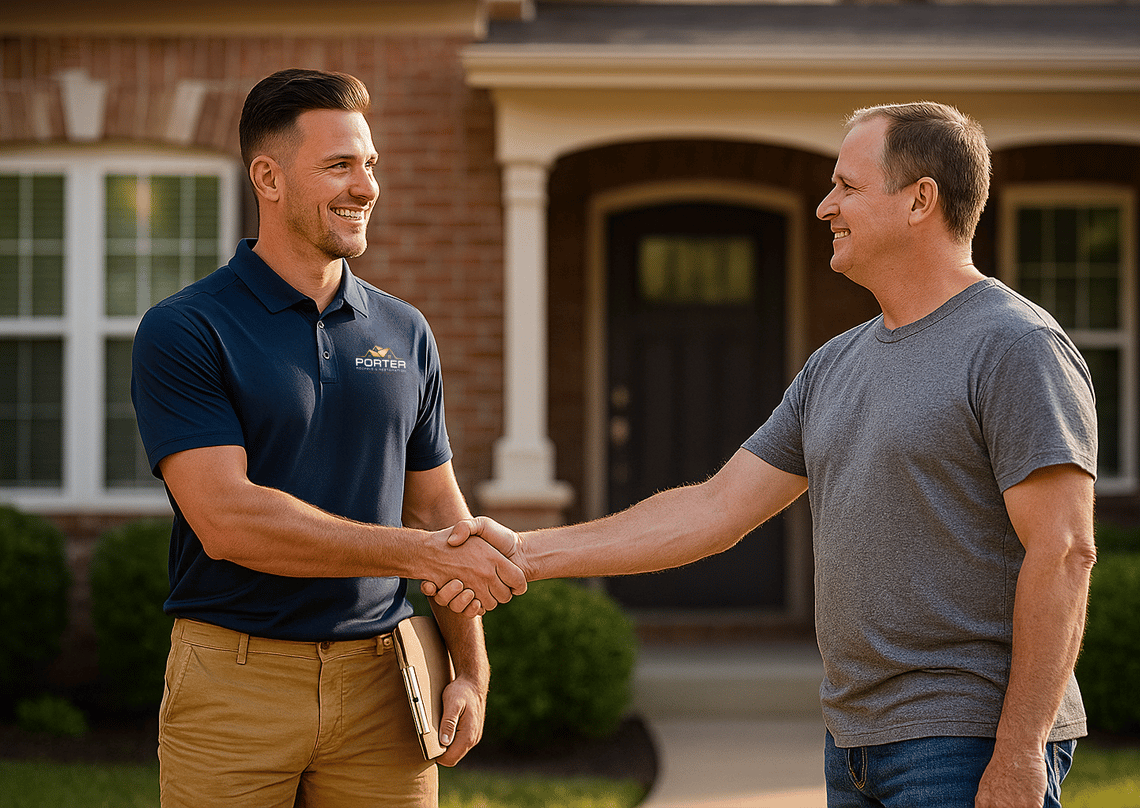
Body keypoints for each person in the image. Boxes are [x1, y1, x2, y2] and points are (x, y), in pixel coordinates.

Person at [428, 102, 1098, 808]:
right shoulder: (835, 366)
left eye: (847, 186)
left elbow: (1063, 549)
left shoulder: (1015, 346)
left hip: (965, 739)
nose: (823, 207)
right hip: (855, 743)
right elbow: (715, 508)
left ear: (920, 200)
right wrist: (523, 553)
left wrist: (1022, 746)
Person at [131, 68, 525, 808]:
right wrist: (414, 552)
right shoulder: (187, 329)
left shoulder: (404, 331)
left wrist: (470, 670)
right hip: (235, 683)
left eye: (369, 164)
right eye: (340, 165)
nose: (366, 185)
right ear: (268, 178)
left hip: (388, 684)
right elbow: (228, 521)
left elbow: (441, 513)